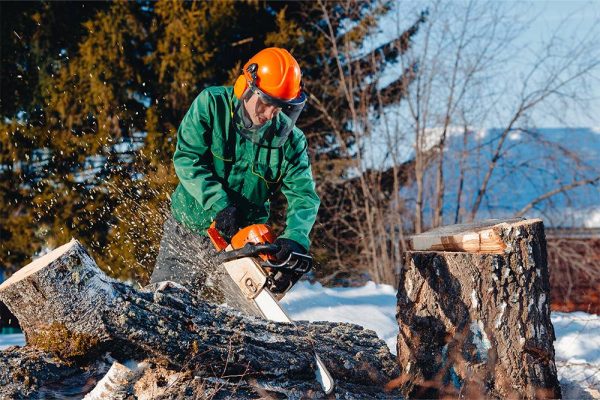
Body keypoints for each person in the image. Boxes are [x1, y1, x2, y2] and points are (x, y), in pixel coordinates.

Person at [150, 47, 320, 304]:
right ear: (246, 87)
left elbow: (304, 196)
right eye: (265, 104)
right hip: (189, 227)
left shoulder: (292, 142)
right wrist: (219, 205)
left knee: (247, 318)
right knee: (165, 306)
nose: (270, 115)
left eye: (280, 108)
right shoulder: (212, 105)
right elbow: (187, 158)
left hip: (244, 242)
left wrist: (295, 238)